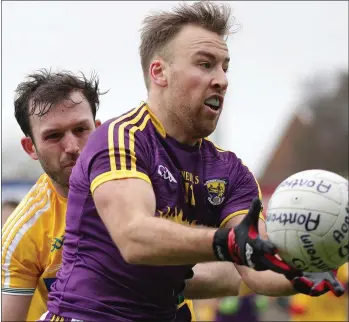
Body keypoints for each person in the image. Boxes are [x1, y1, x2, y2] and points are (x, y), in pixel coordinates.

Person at [44, 2, 344, 321]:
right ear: (159, 72)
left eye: (224, 67)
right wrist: (226, 243)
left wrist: (303, 269)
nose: (221, 80)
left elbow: (255, 268)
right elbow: (134, 237)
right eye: (205, 64)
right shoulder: (122, 136)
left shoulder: (232, 173)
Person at [1, 69, 103, 321]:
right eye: (54, 136)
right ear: (30, 147)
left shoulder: (152, 183)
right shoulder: (21, 233)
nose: (72, 147)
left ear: (99, 130)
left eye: (81, 129)